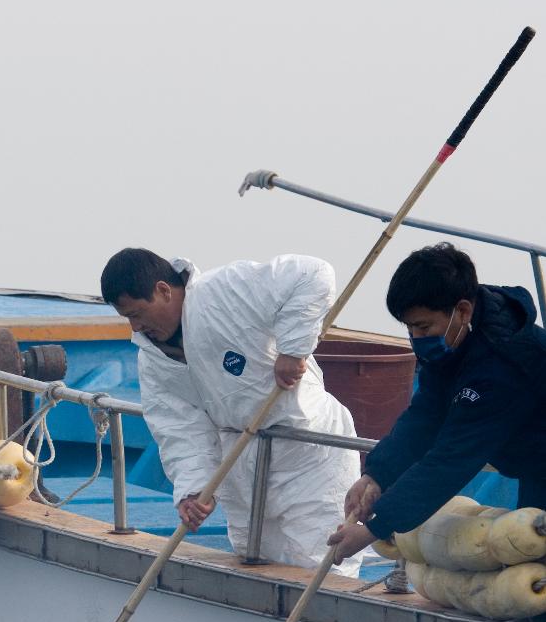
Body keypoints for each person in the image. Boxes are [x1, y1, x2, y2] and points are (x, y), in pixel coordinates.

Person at [100, 248, 363, 574]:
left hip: (308, 456)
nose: (136, 327)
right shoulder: (153, 361)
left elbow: (313, 274)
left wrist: (293, 349)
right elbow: (178, 428)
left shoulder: (225, 290)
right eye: (128, 318)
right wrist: (193, 490)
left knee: (323, 568)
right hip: (240, 464)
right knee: (256, 568)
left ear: (163, 291)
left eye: (137, 314)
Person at [329, 242, 546, 564]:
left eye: (423, 326)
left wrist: (377, 527)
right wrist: (375, 476)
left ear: (462, 310)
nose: (416, 337)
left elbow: (452, 457)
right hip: (537, 464)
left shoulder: (504, 364)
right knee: (533, 562)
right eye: (409, 327)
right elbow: (425, 415)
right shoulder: (455, 340)